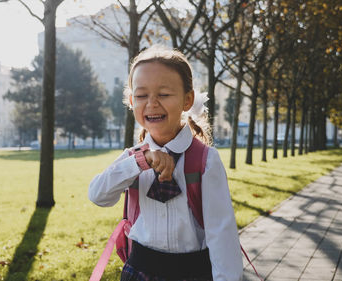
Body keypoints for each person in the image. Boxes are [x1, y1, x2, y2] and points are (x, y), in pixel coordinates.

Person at [88, 45, 243, 281]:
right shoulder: (132, 158)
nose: (152, 103)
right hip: (139, 271)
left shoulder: (205, 160)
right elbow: (98, 195)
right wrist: (139, 162)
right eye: (141, 96)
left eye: (164, 94)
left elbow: (222, 234)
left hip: (192, 273)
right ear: (131, 101)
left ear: (187, 99)